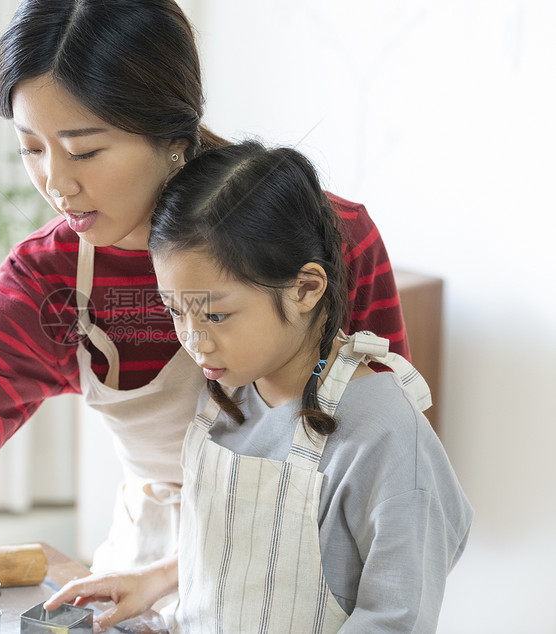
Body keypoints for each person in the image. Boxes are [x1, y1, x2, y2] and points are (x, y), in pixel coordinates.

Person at [0, 2, 411, 632]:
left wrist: (182, 573)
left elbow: (382, 471)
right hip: (137, 591)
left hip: (304, 583)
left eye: (84, 150)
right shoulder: (48, 282)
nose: (55, 183)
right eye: (31, 147)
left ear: (172, 136)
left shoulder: (330, 241)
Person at [44, 141, 473, 633]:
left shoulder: (385, 435)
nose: (193, 340)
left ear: (306, 288)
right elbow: (242, 563)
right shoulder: (233, 395)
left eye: (217, 314)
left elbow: (398, 619)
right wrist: (155, 582)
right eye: (175, 310)